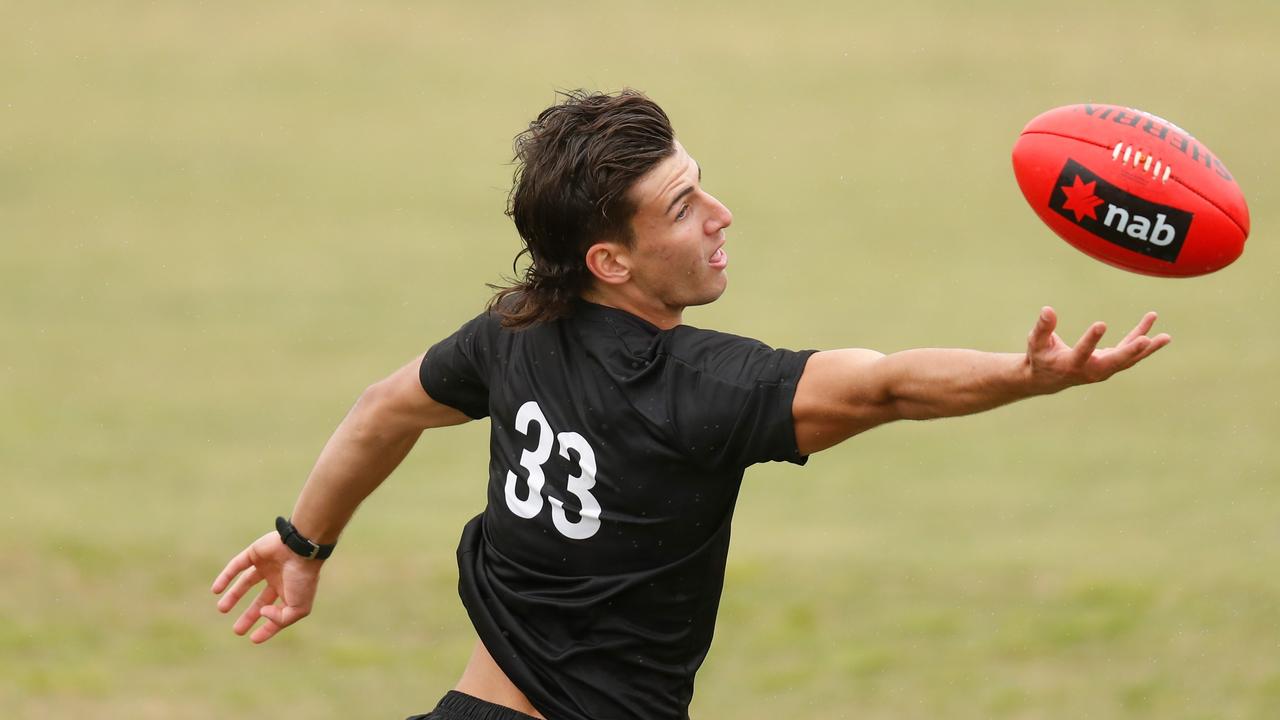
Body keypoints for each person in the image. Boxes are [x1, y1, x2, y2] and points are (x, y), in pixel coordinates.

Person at [211, 89, 1171, 720]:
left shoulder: (512, 332)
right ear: (610, 261)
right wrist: (1028, 373)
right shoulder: (702, 390)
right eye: (681, 206)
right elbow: (885, 386)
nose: (719, 216)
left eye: (701, 185)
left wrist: (303, 543)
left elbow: (383, 407)